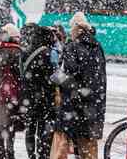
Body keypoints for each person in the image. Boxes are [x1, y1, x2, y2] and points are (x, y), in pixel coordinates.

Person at [55, 12, 106, 159]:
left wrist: (56, 77)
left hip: (74, 104)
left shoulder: (72, 47)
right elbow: (98, 77)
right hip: (93, 104)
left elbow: (68, 76)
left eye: (72, 28)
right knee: (89, 147)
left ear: (76, 29)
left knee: (62, 144)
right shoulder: (97, 46)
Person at [21, 23, 56, 159]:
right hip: (43, 97)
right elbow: (54, 76)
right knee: (43, 129)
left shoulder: (25, 52)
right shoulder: (47, 53)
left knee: (30, 128)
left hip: (28, 97)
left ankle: (31, 155)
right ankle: (42, 154)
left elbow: (22, 75)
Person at [0, 23, 21, 159]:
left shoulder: (0, 50)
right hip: (14, 94)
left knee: (1, 123)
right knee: (11, 125)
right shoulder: (18, 51)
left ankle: (0, 149)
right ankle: (10, 151)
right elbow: (20, 74)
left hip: (1, 94)